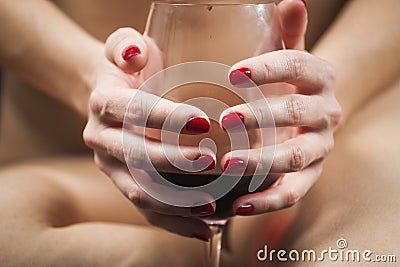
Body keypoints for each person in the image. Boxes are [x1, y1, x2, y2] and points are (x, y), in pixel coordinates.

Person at [0, 0, 398, 266]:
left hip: (322, 152)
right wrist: (98, 81)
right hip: (82, 154)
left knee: (367, 252)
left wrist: (313, 95)